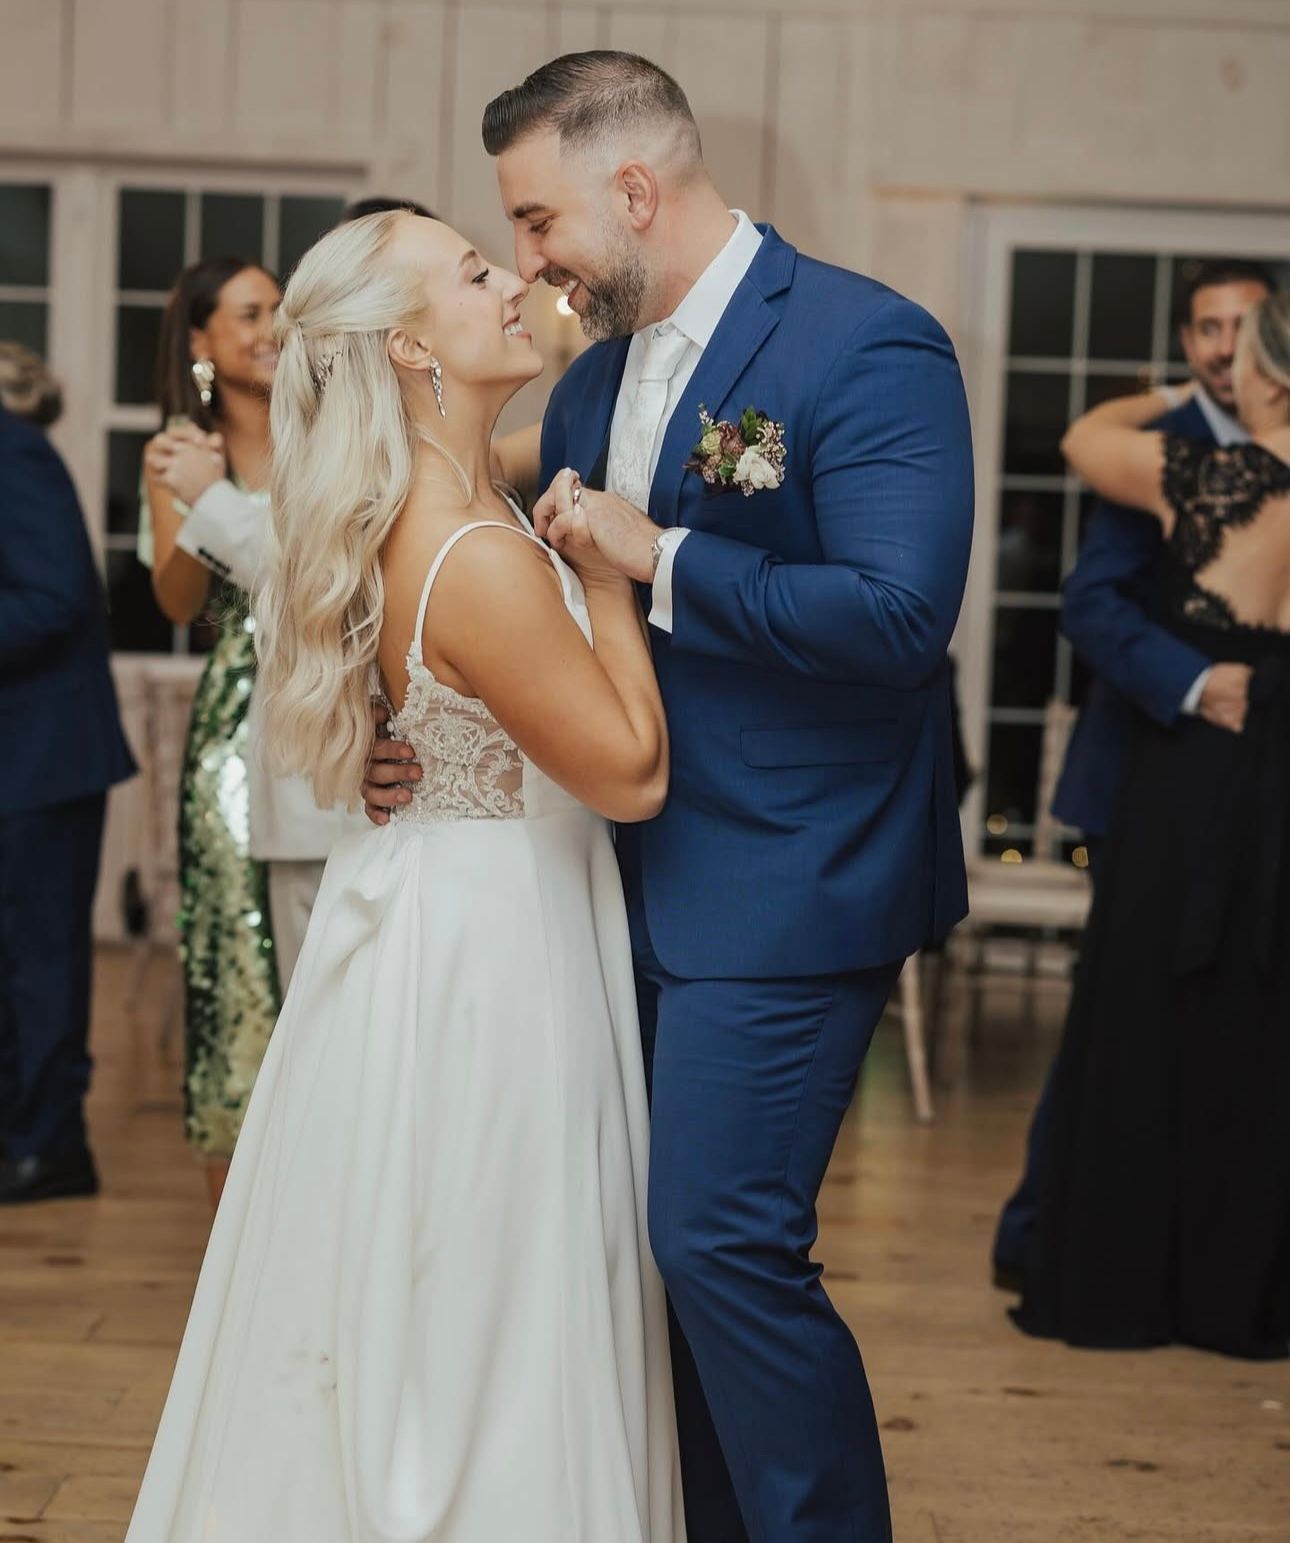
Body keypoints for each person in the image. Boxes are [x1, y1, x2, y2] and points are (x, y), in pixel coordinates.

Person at [365, 51, 974, 1543]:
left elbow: (902, 616)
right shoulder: (592, 376)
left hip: (789, 876)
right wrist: (419, 736)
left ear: (633, 190)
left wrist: (668, 556)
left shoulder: (865, 344)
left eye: (536, 220)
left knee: (719, 1240)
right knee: (641, 1264)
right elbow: (497, 582)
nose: (528, 262)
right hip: (604, 884)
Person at [124, 210, 685, 1542]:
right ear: (411, 348)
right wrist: (611, 578)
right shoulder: (472, 548)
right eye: (477, 273)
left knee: (424, 1263)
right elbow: (629, 774)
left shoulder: (450, 502)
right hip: (490, 952)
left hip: (451, 907)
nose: (514, 283)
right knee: (488, 1271)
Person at [1013, 294, 1290, 1360]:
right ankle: (1239, 1293)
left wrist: (1180, 392)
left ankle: (1131, 1281)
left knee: (1145, 1017)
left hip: (1197, 775)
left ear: (1264, 371)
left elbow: (1087, 436)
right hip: (1265, 765)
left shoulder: (1210, 477)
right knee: (1259, 1029)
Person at [142, 257, 287, 1205]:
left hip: (329, 710)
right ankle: (234, 1223)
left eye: (279, 308)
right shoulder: (178, 452)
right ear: (201, 339)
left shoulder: (322, 427)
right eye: (249, 313)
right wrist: (201, 502)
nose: (272, 328)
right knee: (238, 964)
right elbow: (176, 599)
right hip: (237, 733)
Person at [0, 364, 136, 1205]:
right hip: (20, 756)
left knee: (40, 962)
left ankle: (52, 1147)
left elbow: (56, 598)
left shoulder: (15, 452)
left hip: (44, 756)